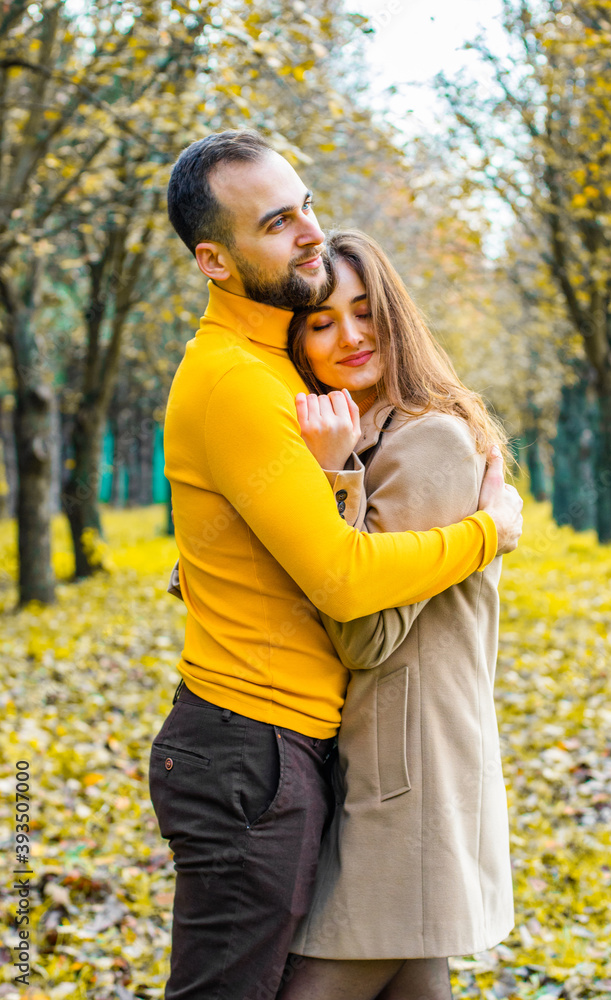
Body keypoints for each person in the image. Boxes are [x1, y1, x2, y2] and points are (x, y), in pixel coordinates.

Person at [149, 128, 522, 1000]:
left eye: (305, 205)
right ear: (214, 259)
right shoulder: (248, 381)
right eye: (278, 222)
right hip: (260, 743)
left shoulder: (360, 419)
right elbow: (344, 581)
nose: (308, 232)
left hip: (333, 750)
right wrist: (486, 532)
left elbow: (321, 569)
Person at [277, 230, 514, 1000]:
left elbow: (366, 629)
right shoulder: (376, 434)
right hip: (380, 765)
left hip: (404, 779)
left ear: (393, 314)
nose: (347, 336)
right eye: (319, 321)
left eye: (363, 310)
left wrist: (331, 478)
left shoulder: (427, 441)